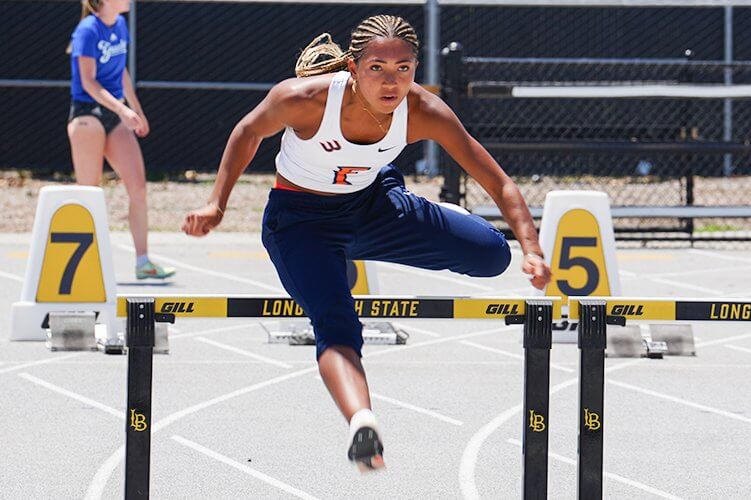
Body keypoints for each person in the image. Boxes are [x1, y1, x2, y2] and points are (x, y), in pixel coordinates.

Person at [182, 15, 551, 471]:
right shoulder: (307, 100)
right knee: (336, 324)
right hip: (302, 223)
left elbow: (498, 182)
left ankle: (420, 210)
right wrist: (216, 204)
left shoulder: (423, 110)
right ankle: (361, 421)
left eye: (404, 68)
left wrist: (532, 250)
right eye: (377, 68)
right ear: (353, 68)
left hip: (372, 207)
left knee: (492, 256)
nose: (391, 81)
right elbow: (247, 131)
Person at [67, 0, 175, 280]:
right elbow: (89, 82)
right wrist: (122, 109)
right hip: (87, 113)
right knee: (89, 193)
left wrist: (136, 110)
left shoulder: (121, 25)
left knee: (138, 187)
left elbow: (122, 72)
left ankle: (143, 262)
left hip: (116, 113)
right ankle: (85, 267)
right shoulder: (87, 30)